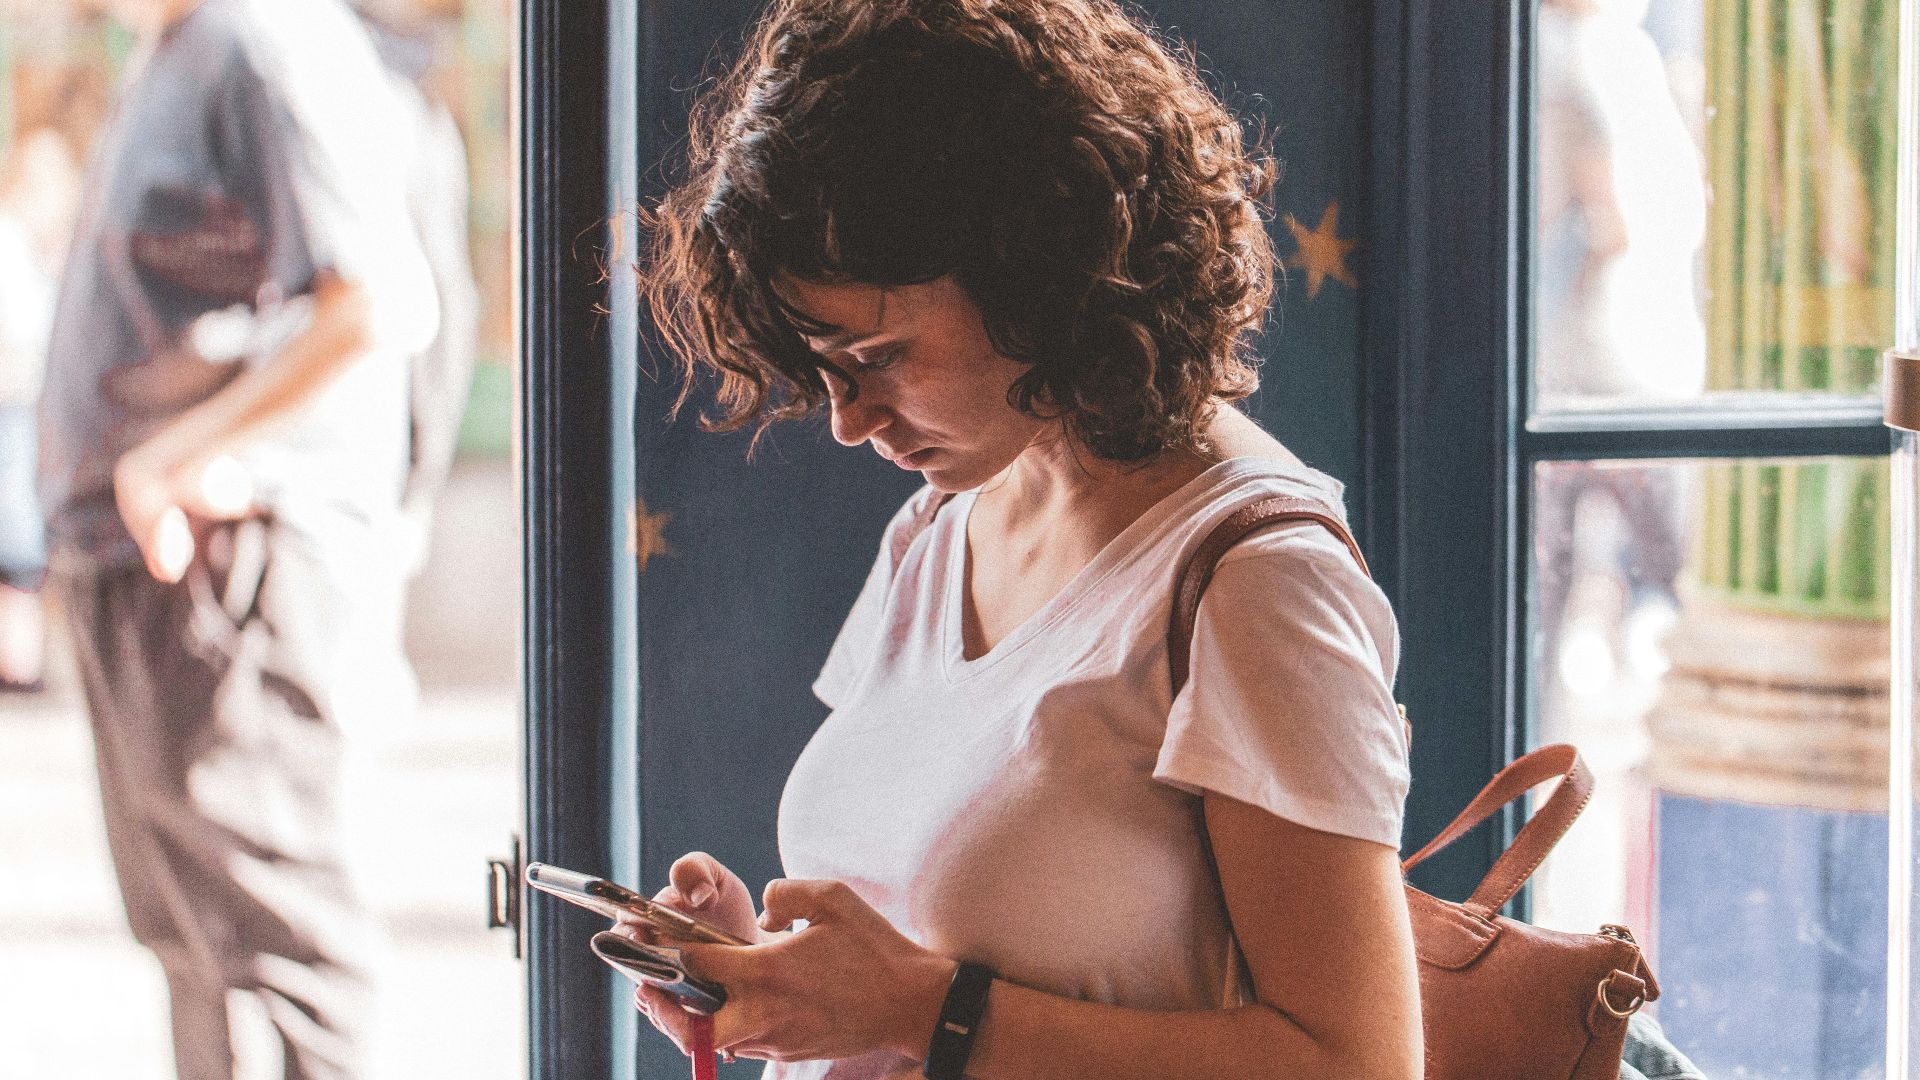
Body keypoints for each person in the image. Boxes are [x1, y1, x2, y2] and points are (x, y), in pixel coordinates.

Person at [617, 2, 1422, 1077]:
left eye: (882, 354)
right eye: (825, 362)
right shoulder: (935, 532)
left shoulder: (1253, 580)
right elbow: (931, 946)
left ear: (1044, 275)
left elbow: (1359, 1064)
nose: (850, 419)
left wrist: (924, 1014)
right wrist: (763, 973)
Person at [36, 0, 437, 1075]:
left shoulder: (268, 37)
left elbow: (376, 303)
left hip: (223, 570)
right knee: (189, 938)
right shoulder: (176, 48)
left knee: (280, 949)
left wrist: (178, 459)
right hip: (130, 568)